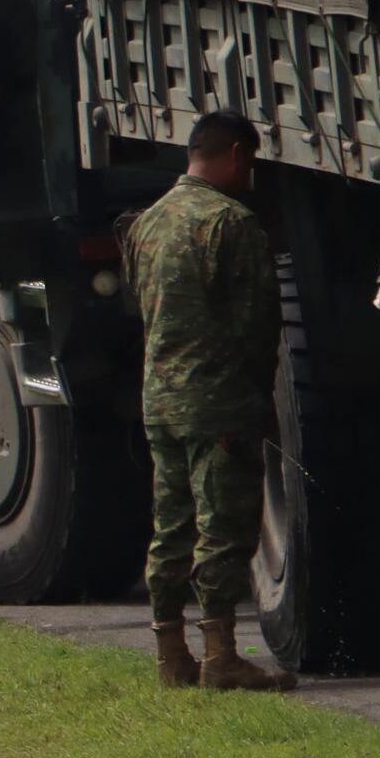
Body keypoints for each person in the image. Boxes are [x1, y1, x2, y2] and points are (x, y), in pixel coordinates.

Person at [127, 111, 297, 692]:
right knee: (223, 527)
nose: (248, 175)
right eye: (247, 162)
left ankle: (170, 655)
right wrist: (257, 398)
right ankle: (222, 655)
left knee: (169, 526)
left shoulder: (146, 224)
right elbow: (258, 325)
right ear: (230, 153)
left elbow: (143, 310)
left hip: (160, 399)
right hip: (218, 402)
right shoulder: (232, 223)